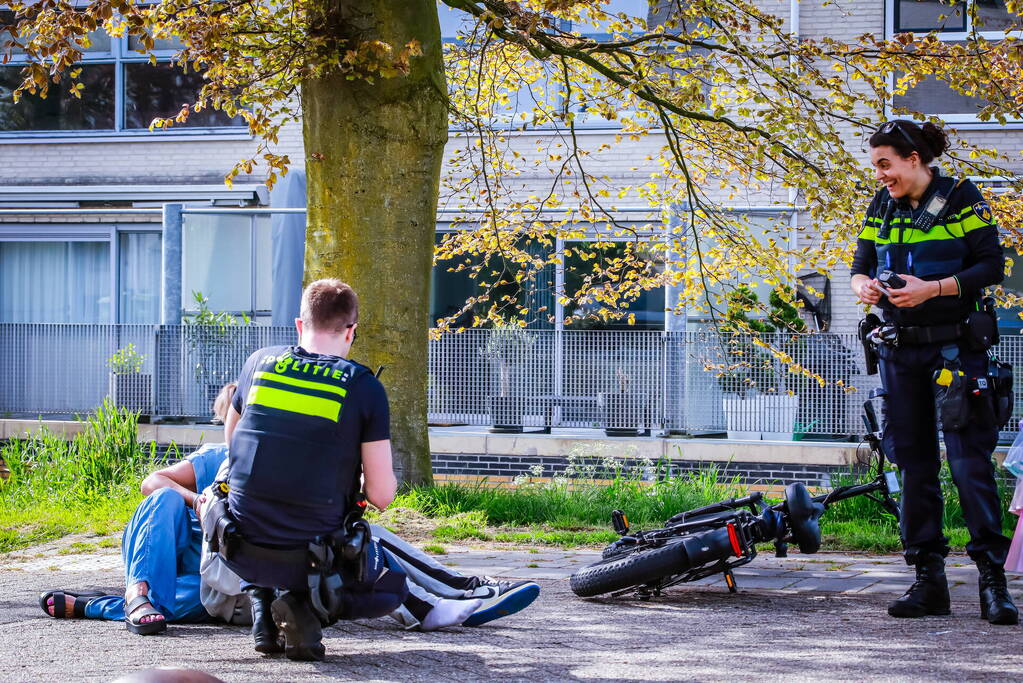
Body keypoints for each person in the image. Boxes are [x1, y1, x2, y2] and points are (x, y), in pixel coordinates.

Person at [41, 383, 539, 638]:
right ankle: (137, 593)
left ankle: (96, 604)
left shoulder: (281, 464)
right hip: (209, 566)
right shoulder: (215, 459)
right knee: (164, 497)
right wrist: (205, 505)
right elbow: (155, 482)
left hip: (226, 583)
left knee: (356, 533)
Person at [851, 119, 1017, 625]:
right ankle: (929, 583)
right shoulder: (881, 205)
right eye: (876, 165)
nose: (880, 174)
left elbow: (992, 267)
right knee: (914, 467)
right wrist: (863, 286)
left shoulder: (963, 197)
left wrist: (932, 288)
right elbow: (860, 261)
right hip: (899, 355)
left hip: (956, 355)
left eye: (886, 164)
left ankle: (993, 583)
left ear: (913, 159)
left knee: (969, 465)